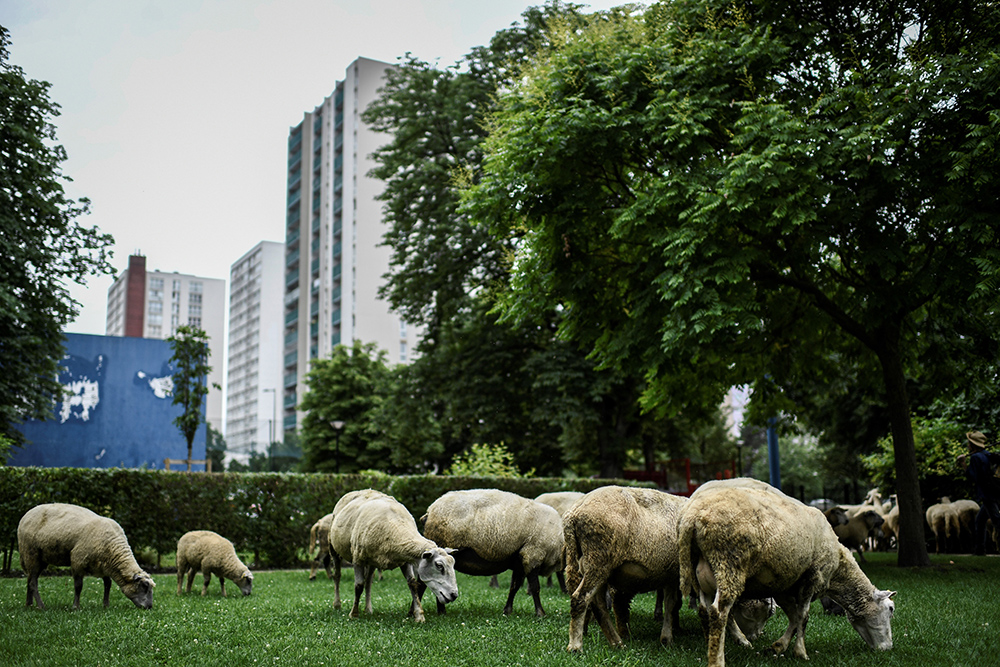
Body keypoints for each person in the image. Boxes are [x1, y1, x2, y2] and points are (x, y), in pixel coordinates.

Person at [957, 431, 1000, 556]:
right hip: (995, 492)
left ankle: (981, 550)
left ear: (972, 445)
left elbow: (973, 477)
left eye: (969, 443)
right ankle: (980, 550)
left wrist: (963, 464)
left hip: (987, 495)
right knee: (980, 521)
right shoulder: (988, 454)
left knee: (997, 521)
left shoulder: (976, 457)